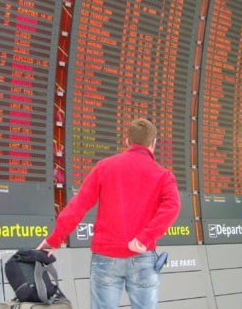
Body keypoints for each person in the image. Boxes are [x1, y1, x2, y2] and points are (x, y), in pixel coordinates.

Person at [37, 118, 180, 309]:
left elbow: (79, 204)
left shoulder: (105, 167)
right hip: (143, 256)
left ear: (127, 141)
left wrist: (56, 238)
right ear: (154, 143)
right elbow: (172, 207)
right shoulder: (163, 175)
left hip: (105, 258)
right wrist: (146, 236)